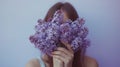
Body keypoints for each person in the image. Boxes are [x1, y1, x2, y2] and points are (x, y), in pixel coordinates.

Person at [26, 2, 98, 67]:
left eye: (67, 25)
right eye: (55, 26)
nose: (61, 32)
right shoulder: (34, 65)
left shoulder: (90, 64)